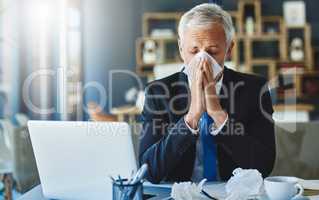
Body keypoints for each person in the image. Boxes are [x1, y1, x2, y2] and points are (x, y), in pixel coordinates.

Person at [139, 3, 276, 183]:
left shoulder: (255, 90)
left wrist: (219, 116)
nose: (202, 59)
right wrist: (191, 118)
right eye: (194, 51)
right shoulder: (158, 93)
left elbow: (263, 166)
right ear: (181, 49)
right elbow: (148, 170)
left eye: (212, 51)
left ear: (229, 49)